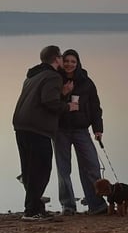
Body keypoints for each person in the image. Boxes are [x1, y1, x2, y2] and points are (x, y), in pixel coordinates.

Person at [13, 45, 78, 221]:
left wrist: (61, 92)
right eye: (61, 57)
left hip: (21, 126)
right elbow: (49, 101)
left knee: (29, 168)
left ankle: (34, 207)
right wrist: (68, 106)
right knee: (41, 169)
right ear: (56, 59)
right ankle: (32, 211)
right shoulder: (52, 76)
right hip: (37, 128)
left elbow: (40, 98)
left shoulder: (34, 75)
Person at [54, 50, 107, 215]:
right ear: (62, 62)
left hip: (81, 129)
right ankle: (68, 206)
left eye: (73, 62)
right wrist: (63, 94)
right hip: (60, 129)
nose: (69, 64)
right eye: (67, 61)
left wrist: (98, 129)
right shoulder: (56, 79)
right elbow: (50, 103)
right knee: (63, 169)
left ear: (78, 64)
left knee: (91, 166)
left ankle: (96, 204)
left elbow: (95, 107)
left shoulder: (86, 82)